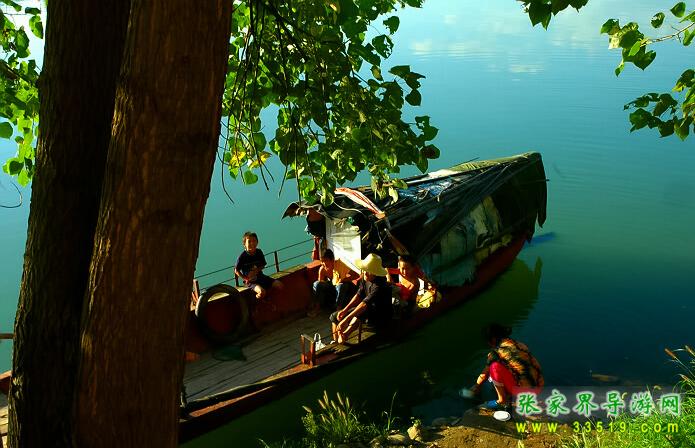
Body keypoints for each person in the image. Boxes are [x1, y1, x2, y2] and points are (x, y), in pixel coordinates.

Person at [470, 323, 544, 410]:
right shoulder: (520, 345)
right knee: (514, 367)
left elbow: (483, 376)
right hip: (539, 387)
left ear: (493, 339)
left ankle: (502, 401)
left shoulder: (495, 353)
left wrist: (476, 387)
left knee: (494, 367)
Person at [329, 253, 393, 343]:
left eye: (369, 271)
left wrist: (346, 319)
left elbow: (364, 305)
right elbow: (358, 295)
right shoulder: (365, 277)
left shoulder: (379, 285)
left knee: (359, 312)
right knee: (334, 316)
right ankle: (336, 340)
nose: (365, 273)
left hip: (380, 314)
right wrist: (345, 310)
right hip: (368, 308)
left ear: (375, 273)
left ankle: (345, 334)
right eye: (365, 270)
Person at [234, 231, 282, 299]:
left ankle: (271, 299)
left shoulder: (259, 252)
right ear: (244, 244)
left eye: (254, 241)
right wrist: (245, 278)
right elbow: (236, 270)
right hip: (251, 282)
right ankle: (257, 301)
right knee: (261, 292)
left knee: (280, 285)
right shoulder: (242, 257)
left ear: (257, 242)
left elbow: (263, 264)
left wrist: (256, 270)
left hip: (261, 277)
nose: (252, 243)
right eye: (249, 241)